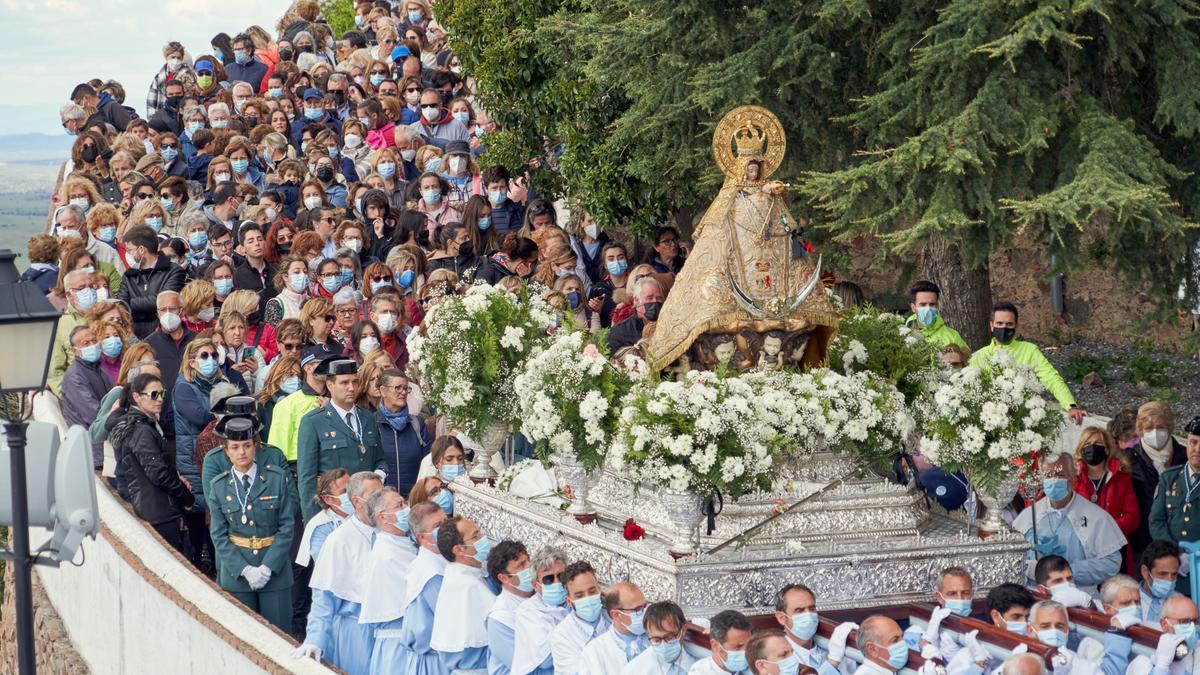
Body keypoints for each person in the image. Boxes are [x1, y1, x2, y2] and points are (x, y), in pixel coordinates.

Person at [206, 415, 297, 632]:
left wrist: (268, 567)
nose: (242, 452)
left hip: (274, 571)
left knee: (279, 635)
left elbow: (286, 526)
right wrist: (244, 569)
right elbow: (218, 534)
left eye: (247, 445)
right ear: (226, 451)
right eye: (235, 447)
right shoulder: (219, 486)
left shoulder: (276, 479)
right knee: (243, 635)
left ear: (255, 446)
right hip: (237, 574)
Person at [295, 471, 383, 673]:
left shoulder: (392, 531)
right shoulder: (338, 539)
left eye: (383, 493)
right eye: (375, 496)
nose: (381, 501)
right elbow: (324, 594)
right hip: (354, 632)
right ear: (357, 501)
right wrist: (315, 639)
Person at [1013, 451, 1126, 588]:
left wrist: (1068, 572)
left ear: (1072, 478)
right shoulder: (1029, 516)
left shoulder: (1096, 516)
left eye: (1060, 475)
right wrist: (1028, 567)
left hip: (1078, 594)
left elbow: (1111, 563)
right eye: (1048, 475)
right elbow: (1012, 557)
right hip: (1036, 596)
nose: (1054, 480)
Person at [109, 373, 194, 553]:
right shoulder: (141, 430)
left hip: (156, 508)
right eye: (154, 395)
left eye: (162, 394)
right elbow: (158, 472)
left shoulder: (145, 425)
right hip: (158, 513)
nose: (160, 399)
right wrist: (185, 495)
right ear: (137, 397)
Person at [296, 359, 387, 521]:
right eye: (344, 383)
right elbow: (306, 478)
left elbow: (380, 459)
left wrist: (378, 475)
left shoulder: (367, 417)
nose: (351, 388)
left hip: (367, 508)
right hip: (334, 510)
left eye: (355, 382)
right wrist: (313, 521)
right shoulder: (313, 421)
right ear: (330, 386)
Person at [969, 302, 1086, 425]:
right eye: (999, 323)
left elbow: (1051, 378)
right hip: (988, 422)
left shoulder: (1030, 350)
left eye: (1009, 324)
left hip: (1024, 420)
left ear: (1016, 326)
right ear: (992, 325)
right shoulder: (978, 356)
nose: (1004, 328)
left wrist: (1070, 405)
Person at [358, 486, 416, 675]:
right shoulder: (386, 554)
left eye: (404, 502)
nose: (406, 508)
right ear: (382, 517)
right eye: (399, 506)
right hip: (397, 644)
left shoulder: (403, 541)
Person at [431, 515, 498, 672]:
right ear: (459, 549)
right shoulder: (467, 585)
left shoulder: (461, 572)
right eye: (475, 536)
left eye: (480, 532)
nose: (483, 538)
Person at [1072, 426, 1140, 573]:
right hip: (1081, 549)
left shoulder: (1122, 479)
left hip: (1115, 547)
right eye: (1087, 444)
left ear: (1107, 449)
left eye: (1097, 443)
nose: (1092, 448)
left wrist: (1105, 528)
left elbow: (1133, 517)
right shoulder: (1072, 480)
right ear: (1080, 449)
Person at [396, 500, 450, 674]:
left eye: (446, 521)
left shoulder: (441, 559)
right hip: (434, 662)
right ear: (422, 536)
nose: (446, 529)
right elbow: (450, 615)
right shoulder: (429, 571)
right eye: (438, 525)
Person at [1128, 401, 1185, 561]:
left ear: (1169, 427)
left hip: (1183, 543)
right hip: (1143, 545)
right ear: (1140, 430)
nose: (1155, 433)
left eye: (1160, 427)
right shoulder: (1128, 460)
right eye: (1148, 428)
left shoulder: (1185, 457)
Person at [1150, 416, 1200, 582]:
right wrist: (1176, 554)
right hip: (1172, 569)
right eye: (1193, 442)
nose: (1197, 449)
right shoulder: (1169, 478)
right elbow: (1156, 521)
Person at [268, 346, 334, 466]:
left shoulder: (337, 401)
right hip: (298, 468)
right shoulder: (287, 404)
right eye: (322, 363)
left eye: (330, 363)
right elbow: (276, 450)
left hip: (332, 466)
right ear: (308, 368)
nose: (328, 367)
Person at [1026, 599, 1131, 674]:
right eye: (1045, 626)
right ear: (1030, 630)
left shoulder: (1072, 660)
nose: (1054, 631)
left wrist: (1116, 631)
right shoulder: (1021, 658)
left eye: (1060, 626)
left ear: (1067, 630)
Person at [118, 225, 187, 338]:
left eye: (129, 250)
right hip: (134, 335)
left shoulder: (174, 271)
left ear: (141, 250)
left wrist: (130, 303)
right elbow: (121, 305)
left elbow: (164, 301)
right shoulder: (129, 275)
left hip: (164, 334)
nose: (127, 254)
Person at [511, 545, 570, 675]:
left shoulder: (575, 603)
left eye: (561, 576)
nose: (557, 582)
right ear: (535, 585)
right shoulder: (528, 611)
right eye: (548, 579)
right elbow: (546, 660)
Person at [61, 325, 114, 470]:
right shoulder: (74, 377)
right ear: (74, 350)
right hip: (95, 452)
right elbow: (93, 414)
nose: (92, 345)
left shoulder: (99, 369)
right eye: (86, 343)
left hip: (107, 445)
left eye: (94, 341)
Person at [772, 583, 855, 675]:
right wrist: (832, 662)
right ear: (781, 618)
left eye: (812, 609)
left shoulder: (836, 647)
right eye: (799, 610)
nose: (809, 615)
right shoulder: (775, 657)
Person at [550, 561, 610, 673]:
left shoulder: (613, 617)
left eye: (592, 591)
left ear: (599, 590)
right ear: (569, 601)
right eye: (579, 596)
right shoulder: (562, 636)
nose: (587, 598)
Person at [376, 369, 429, 495]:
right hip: (383, 502)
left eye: (406, 388)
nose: (403, 392)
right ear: (383, 391)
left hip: (413, 500)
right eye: (397, 388)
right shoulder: (372, 423)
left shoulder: (417, 423)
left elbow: (428, 463)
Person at [485, 540, 534, 675]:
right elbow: (523, 667)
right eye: (521, 565)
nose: (529, 567)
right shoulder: (500, 619)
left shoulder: (538, 595)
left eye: (528, 560)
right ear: (504, 578)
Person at [577, 581, 650, 672]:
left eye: (645, 606)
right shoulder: (594, 652)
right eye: (637, 610)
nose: (645, 613)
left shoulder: (659, 638)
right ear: (616, 615)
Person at [1124, 595, 1198, 675]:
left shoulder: (1195, 650)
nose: (1192, 627)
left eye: (1196, 621)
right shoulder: (1142, 663)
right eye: (1185, 621)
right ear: (1164, 625)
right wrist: (1161, 667)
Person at [620, 601, 696, 674]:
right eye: (656, 640)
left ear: (683, 629)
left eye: (669, 637)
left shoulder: (699, 662)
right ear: (648, 635)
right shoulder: (635, 670)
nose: (663, 645)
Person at [608, 276, 665, 355]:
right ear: (636, 300)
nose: (655, 301)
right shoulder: (619, 333)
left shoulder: (668, 326)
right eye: (649, 298)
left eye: (659, 298)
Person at [905, 280, 967, 349]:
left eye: (932, 304)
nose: (928, 308)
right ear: (913, 307)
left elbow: (967, 359)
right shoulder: (902, 336)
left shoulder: (953, 337)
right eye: (923, 304)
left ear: (937, 306)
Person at [688, 609, 750, 675]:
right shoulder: (699, 672)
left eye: (749, 645)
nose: (745, 652)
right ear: (715, 645)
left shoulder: (756, 666)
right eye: (739, 646)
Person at [1139, 539, 1184, 620]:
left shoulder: (1181, 603)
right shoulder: (1128, 600)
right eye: (1162, 574)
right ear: (1145, 572)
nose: (1170, 580)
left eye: (1174, 574)